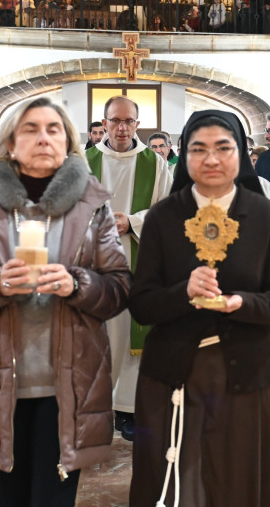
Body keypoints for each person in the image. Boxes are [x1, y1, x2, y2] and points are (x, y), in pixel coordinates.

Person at [0, 96, 130, 506]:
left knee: (55, 497)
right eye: (31, 129)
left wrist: (77, 284)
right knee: (13, 497)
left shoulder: (92, 204)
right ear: (10, 143)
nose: (43, 138)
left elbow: (118, 288)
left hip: (70, 378)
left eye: (53, 129)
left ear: (68, 142)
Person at [127, 110, 270, 507]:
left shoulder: (266, 216)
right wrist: (183, 291)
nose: (212, 159)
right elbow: (141, 304)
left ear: (241, 153)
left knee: (241, 485)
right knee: (181, 484)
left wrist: (241, 302)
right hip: (175, 374)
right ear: (184, 156)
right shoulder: (163, 218)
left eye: (224, 147)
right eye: (198, 149)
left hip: (249, 374)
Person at [85, 95, 173, 441]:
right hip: (94, 264)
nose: (122, 128)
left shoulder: (155, 163)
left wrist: (132, 221)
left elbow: (167, 211)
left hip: (139, 260)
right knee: (99, 336)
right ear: (103, 123)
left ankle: (129, 410)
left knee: (136, 335)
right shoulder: (82, 162)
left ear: (138, 124)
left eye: (129, 121)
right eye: (115, 121)